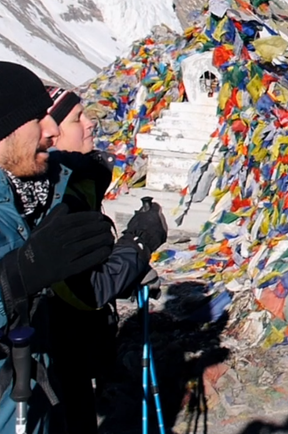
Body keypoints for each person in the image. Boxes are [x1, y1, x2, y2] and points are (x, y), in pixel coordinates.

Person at [39, 86, 169, 434]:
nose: (90, 124)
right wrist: (138, 245)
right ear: (48, 132)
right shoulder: (57, 197)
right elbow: (87, 289)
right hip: (58, 355)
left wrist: (127, 264)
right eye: (76, 118)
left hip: (71, 351)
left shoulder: (74, 183)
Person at [0, 63, 117, 433]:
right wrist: (14, 279)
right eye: (38, 118)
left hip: (29, 404)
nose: (51, 129)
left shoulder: (19, 198)